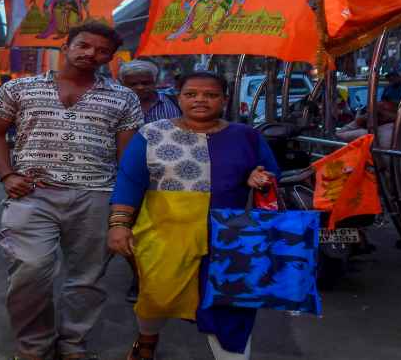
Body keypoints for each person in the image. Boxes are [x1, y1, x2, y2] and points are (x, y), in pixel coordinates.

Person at [0, 22, 143, 360]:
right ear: (66, 46)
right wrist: (6, 175)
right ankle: (33, 346)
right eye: (84, 45)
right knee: (29, 271)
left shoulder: (123, 97)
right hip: (32, 194)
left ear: (111, 58)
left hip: (97, 195)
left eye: (102, 51)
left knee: (87, 280)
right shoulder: (20, 88)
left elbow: (127, 159)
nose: (91, 54)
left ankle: (72, 343)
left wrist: (123, 211)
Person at [108, 71, 278, 360]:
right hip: (164, 234)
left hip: (227, 236)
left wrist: (258, 177)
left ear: (224, 100)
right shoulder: (151, 133)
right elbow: (129, 180)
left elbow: (270, 171)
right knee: (156, 296)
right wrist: (119, 225)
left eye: (211, 95)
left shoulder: (246, 136)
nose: (201, 100)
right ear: (179, 98)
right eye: (191, 94)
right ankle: (147, 339)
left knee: (229, 305)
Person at [118, 59, 181, 303]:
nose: (141, 88)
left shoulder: (173, 103)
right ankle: (139, 276)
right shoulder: (117, 105)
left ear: (155, 81)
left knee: (163, 229)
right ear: (122, 84)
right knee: (129, 228)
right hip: (126, 176)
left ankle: (169, 277)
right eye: (133, 84)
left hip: (167, 176)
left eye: (146, 82)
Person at [120, 60, 181, 124]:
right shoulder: (118, 106)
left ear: (155, 82)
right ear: (123, 85)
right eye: (133, 84)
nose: (140, 87)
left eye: (145, 83)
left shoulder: (175, 100)